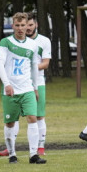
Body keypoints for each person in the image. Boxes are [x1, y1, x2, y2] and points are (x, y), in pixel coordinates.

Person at [0, 12, 43, 164]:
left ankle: (33, 155)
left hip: (27, 88)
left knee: (32, 118)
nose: (21, 28)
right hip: (10, 90)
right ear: (13, 26)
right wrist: (6, 84)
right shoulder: (5, 42)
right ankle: (12, 154)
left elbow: (35, 67)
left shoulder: (33, 45)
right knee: (10, 123)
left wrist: (35, 87)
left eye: (23, 25)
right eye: (17, 25)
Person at [26, 12, 52, 156]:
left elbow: (46, 63)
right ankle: (10, 147)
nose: (28, 28)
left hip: (39, 82)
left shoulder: (44, 41)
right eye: (26, 25)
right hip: (20, 83)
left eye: (31, 25)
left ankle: (40, 147)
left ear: (36, 25)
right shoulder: (18, 41)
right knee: (15, 116)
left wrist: (29, 69)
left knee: (39, 116)